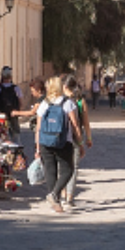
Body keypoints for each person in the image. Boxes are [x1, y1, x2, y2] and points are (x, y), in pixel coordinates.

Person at [33, 76, 83, 213]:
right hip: (63, 142)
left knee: (50, 171)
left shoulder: (44, 104)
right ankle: (55, 195)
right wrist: (79, 142)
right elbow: (75, 125)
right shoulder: (68, 103)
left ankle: (55, 203)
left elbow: (38, 128)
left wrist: (37, 147)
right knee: (68, 170)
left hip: (45, 142)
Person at [62, 73, 94, 208]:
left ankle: (62, 194)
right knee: (73, 167)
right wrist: (88, 138)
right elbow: (85, 122)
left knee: (61, 166)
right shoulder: (80, 101)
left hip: (61, 137)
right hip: (75, 136)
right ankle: (69, 197)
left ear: (64, 86)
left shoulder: (58, 100)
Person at [0, 69, 22, 141]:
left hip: (2, 113)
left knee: (3, 131)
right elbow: (20, 101)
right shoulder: (16, 88)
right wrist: (18, 110)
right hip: (14, 112)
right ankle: (16, 144)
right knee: (15, 131)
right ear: (11, 77)